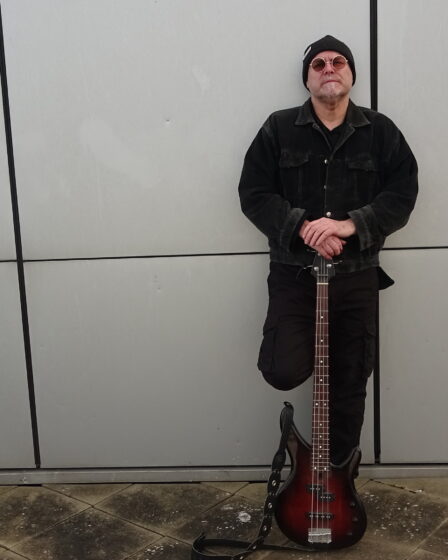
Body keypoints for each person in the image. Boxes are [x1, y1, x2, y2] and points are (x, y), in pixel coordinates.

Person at [238, 35, 418, 465]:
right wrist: (306, 229)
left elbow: (403, 194)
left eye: (338, 62)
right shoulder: (278, 128)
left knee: (350, 382)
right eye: (318, 64)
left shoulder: (381, 131)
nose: (329, 69)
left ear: (351, 73)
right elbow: (253, 193)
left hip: (356, 277)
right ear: (308, 79)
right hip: (295, 276)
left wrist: (347, 224)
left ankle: (336, 479)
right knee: (283, 369)